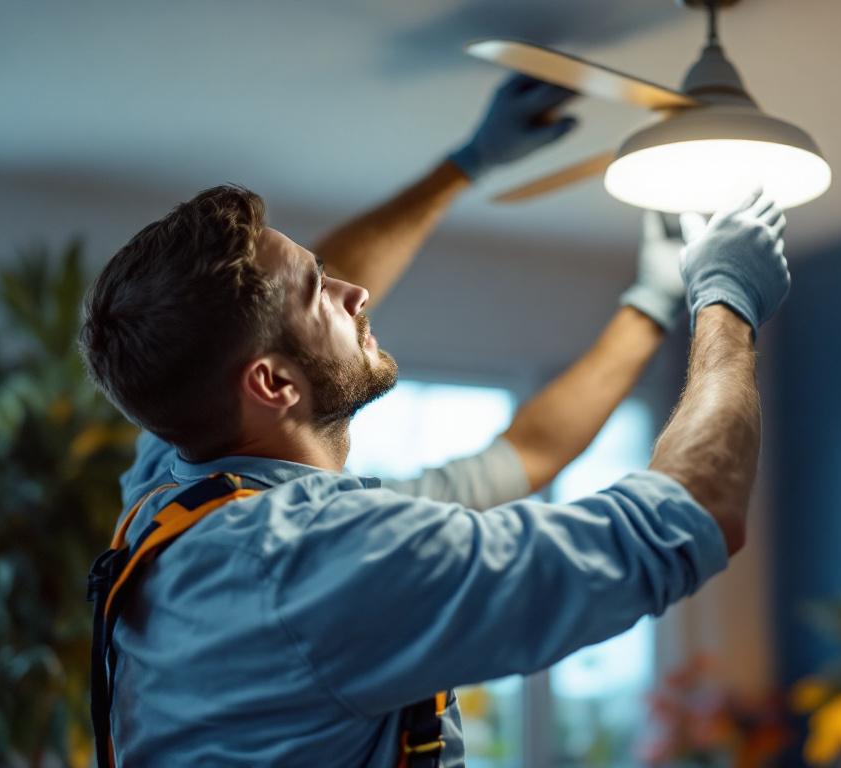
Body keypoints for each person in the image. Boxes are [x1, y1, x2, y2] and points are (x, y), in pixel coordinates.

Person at [78, 73, 790, 766]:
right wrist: (726, 301)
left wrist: (649, 297)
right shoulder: (322, 563)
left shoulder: (176, 491)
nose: (356, 292)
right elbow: (687, 519)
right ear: (271, 384)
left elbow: (528, 454)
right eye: (318, 291)